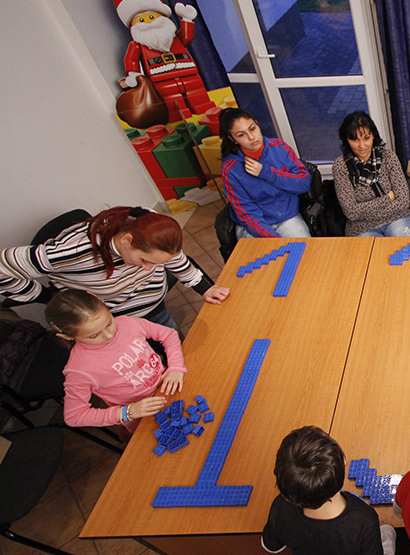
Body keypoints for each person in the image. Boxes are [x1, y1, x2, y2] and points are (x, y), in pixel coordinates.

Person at [0, 206, 229, 331]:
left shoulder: (148, 223)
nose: (149, 269)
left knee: (176, 351)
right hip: (113, 323)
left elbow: (173, 258)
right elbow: (3, 266)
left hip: (154, 306)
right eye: (144, 261)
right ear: (127, 240)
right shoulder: (74, 251)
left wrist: (204, 288)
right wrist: (46, 297)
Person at [262, 426, 395, 555]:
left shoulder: (281, 507)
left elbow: (271, 546)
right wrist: (387, 533)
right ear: (344, 460)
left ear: (287, 496)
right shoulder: (363, 520)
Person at [45, 289, 183, 432]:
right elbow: (74, 416)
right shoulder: (79, 370)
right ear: (67, 337)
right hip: (143, 417)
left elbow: (168, 334)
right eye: (93, 336)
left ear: (104, 304)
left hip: (170, 386)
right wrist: (127, 412)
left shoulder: (127, 323)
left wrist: (176, 367)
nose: (108, 335)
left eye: (109, 323)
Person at [220, 108, 312, 239]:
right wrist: (273, 239)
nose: (251, 137)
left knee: (305, 250)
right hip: (254, 227)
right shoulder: (230, 169)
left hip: (287, 218)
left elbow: (304, 184)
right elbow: (247, 213)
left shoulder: (279, 147)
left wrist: (266, 172)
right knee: (268, 252)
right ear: (232, 139)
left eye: (252, 129)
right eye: (241, 135)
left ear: (257, 124)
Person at [333, 111, 410, 237]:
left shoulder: (389, 157)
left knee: (406, 247)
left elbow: (403, 201)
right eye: (355, 140)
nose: (362, 146)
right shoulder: (340, 166)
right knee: (375, 251)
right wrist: (388, 198)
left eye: (366, 138)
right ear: (346, 140)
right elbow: (351, 212)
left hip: (397, 218)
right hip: (362, 228)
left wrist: (364, 209)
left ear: (373, 135)